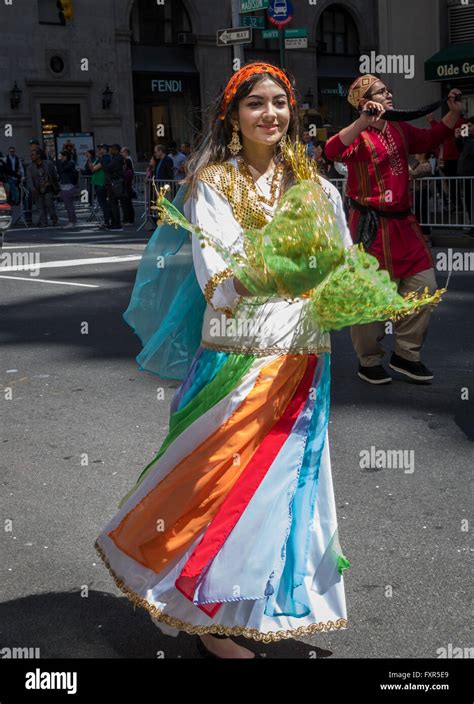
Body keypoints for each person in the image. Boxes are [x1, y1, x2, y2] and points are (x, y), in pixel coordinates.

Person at [96, 61, 353, 659]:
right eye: (256, 104)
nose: (271, 114)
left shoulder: (315, 185)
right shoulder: (213, 182)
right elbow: (221, 276)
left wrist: (345, 286)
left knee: (282, 490)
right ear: (233, 117)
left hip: (304, 355)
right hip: (240, 355)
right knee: (216, 482)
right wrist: (283, 271)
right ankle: (204, 618)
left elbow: (342, 255)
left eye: (280, 103)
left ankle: (244, 608)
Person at [325, 75, 463, 384]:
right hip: (369, 229)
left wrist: (453, 112)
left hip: (404, 225)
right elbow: (332, 151)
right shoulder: (358, 135)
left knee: (424, 286)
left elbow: (430, 139)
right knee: (370, 299)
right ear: (365, 101)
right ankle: (369, 359)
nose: (389, 94)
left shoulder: (399, 128)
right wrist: (363, 121)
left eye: (388, 90)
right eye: (381, 92)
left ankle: (406, 355)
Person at [26, 147, 59, 226]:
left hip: (48, 187)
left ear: (38, 155)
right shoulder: (30, 167)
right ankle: (44, 222)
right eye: (31, 155)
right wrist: (32, 188)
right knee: (40, 207)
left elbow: (54, 175)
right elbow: (29, 179)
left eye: (33, 155)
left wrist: (55, 185)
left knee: (49, 205)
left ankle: (54, 218)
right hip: (37, 189)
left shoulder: (48, 164)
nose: (32, 156)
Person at [456, 116, 474, 237]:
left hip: (471, 176)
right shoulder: (469, 140)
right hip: (465, 177)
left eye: (471, 125)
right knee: (469, 203)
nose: (468, 128)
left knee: (472, 202)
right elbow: (461, 151)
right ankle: (472, 227)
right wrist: (458, 139)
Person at [103, 143, 126, 232]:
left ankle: (117, 224)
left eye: (112, 149)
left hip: (115, 183)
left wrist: (102, 160)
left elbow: (108, 168)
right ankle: (114, 223)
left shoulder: (117, 159)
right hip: (113, 183)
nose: (110, 151)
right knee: (112, 204)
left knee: (113, 204)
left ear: (116, 150)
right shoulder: (116, 158)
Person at [409, 153, 432, 240]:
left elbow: (413, 174)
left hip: (421, 191)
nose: (415, 154)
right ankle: (420, 234)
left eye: (418, 153)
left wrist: (407, 167)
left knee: (422, 213)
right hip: (417, 191)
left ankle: (426, 235)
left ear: (423, 154)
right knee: (418, 213)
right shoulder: (418, 164)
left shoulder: (425, 165)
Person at [88, 144, 111, 229]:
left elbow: (94, 169)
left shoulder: (105, 158)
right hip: (97, 182)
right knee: (102, 203)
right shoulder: (98, 158)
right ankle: (106, 221)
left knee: (104, 203)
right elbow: (91, 168)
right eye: (98, 148)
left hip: (102, 183)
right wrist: (89, 159)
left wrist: (92, 166)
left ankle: (107, 221)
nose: (98, 150)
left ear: (105, 150)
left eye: (100, 148)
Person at [57, 150, 78, 228]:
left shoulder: (70, 163)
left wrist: (60, 162)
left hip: (68, 186)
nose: (60, 158)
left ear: (65, 156)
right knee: (68, 205)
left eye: (61, 156)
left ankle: (72, 221)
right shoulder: (68, 163)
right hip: (65, 186)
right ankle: (73, 220)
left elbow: (61, 170)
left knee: (69, 205)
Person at [120, 147, 135, 225]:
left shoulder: (128, 171)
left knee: (128, 204)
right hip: (126, 188)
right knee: (126, 204)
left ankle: (130, 219)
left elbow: (127, 180)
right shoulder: (126, 170)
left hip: (127, 188)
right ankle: (126, 219)